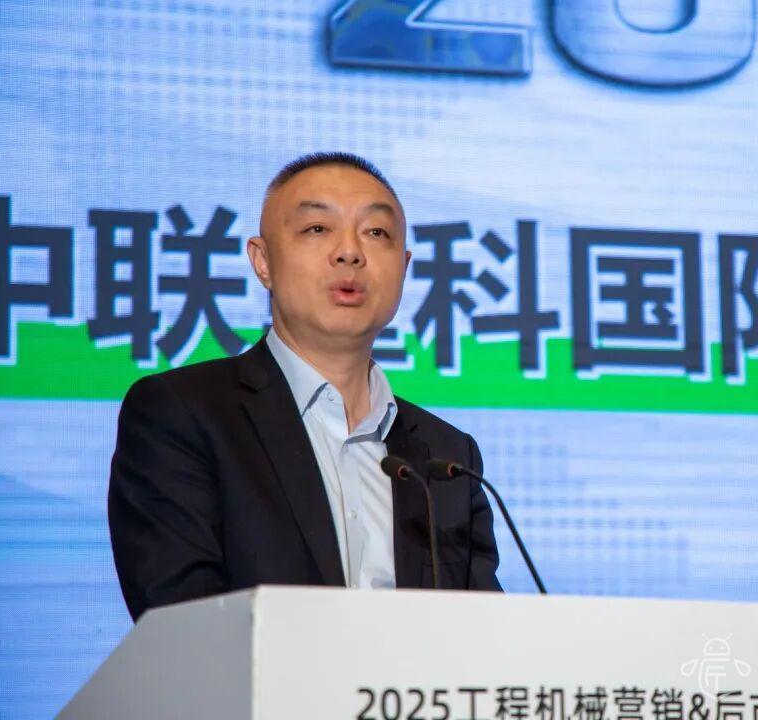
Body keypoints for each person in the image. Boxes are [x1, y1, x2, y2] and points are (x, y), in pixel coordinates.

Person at [108, 152, 502, 621]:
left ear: (404, 266)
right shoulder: (183, 416)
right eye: (317, 228)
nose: (350, 252)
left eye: (377, 233)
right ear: (263, 261)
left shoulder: (448, 457)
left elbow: (485, 636)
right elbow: (183, 624)